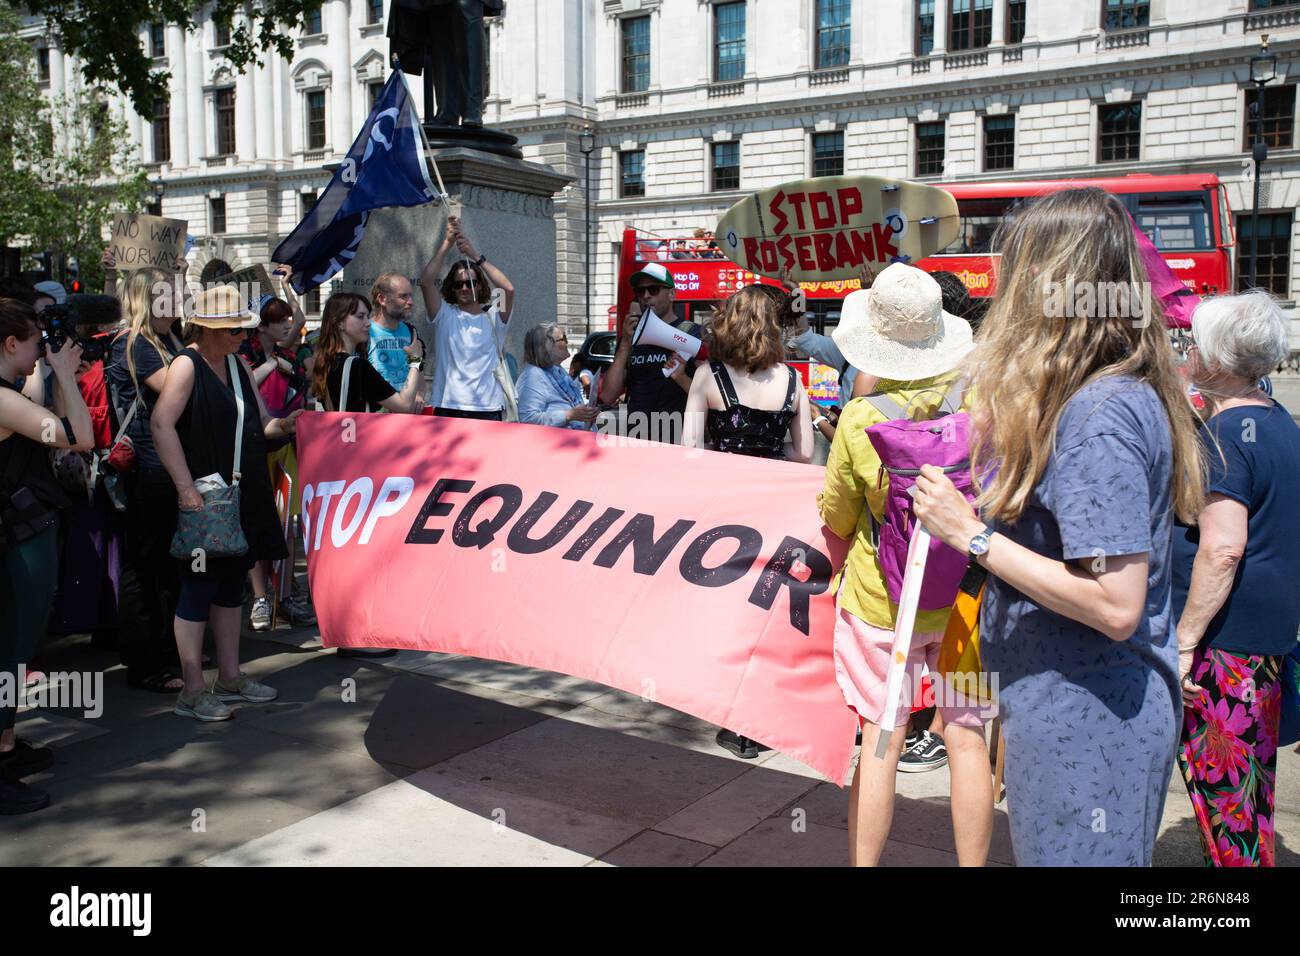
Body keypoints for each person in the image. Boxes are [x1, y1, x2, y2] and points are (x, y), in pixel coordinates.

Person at [911, 187, 1207, 867]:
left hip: (1090, 723)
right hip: (1072, 712)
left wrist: (973, 535)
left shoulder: (1098, 414)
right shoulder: (1102, 396)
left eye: (1014, 270)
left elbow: (1115, 603)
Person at [816, 264, 988, 866]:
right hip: (968, 599)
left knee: (883, 740)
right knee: (968, 738)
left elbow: (837, 517)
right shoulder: (982, 403)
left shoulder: (862, 418)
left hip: (882, 601)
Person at [1172, 291, 1300, 867]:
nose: (1188, 351)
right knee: (1250, 791)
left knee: (1227, 804)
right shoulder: (1279, 422)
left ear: (1219, 359)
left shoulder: (1224, 437)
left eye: (1195, 342)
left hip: (1225, 647)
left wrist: (1184, 640)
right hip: (1266, 636)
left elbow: (1223, 548)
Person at [150, 286, 301, 721]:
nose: (241, 336)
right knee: (197, 588)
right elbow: (162, 425)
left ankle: (231, 676)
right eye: (234, 329)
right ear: (209, 329)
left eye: (242, 328)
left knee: (231, 586)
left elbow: (265, 424)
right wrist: (185, 489)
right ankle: (193, 689)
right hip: (204, 497)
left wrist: (290, 423)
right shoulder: (186, 364)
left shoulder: (236, 365)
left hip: (239, 495)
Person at [680, 285, 814, 760]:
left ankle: (733, 716)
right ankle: (762, 715)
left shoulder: (706, 376)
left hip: (728, 507)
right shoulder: (793, 382)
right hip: (775, 509)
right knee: (766, 608)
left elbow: (691, 453)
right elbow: (802, 453)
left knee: (729, 608)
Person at [0, 298, 93, 813]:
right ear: (10, 344)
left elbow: (35, 402)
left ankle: (6, 748)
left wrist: (48, 370)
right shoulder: (3, 400)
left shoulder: (11, 392)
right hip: (17, 537)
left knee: (13, 650)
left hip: (18, 534)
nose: (44, 347)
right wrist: (68, 376)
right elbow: (81, 437)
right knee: (9, 653)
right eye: (36, 340)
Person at [104, 265, 188, 693]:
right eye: (167, 294)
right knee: (149, 570)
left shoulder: (162, 340)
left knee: (164, 568)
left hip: (160, 468)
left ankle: (167, 653)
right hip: (148, 471)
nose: (175, 300)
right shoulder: (137, 345)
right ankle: (147, 663)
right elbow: (180, 388)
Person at [242, 296, 315, 632]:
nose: (288, 323)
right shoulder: (243, 355)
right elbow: (240, 390)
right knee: (256, 526)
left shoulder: (291, 357)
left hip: (284, 447)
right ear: (262, 324)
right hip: (253, 450)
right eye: (279, 319)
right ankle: (260, 598)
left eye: (289, 318)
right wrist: (269, 367)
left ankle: (284, 596)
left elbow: (303, 392)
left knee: (287, 526)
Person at [417, 216, 516, 419]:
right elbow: (426, 282)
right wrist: (446, 243)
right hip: (448, 405)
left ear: (480, 284)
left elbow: (508, 288)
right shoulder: (444, 314)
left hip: (488, 408)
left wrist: (473, 254)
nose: (464, 287)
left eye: (470, 282)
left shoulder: (493, 317)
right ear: (452, 288)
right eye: (458, 283)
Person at [599, 262, 702, 444]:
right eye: (640, 291)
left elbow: (707, 394)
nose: (645, 296)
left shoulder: (693, 333)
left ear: (672, 294)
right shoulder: (630, 338)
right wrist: (624, 344)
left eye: (653, 289)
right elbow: (608, 396)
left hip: (678, 438)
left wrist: (681, 376)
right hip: (637, 438)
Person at [311, 292, 423, 414]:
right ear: (339, 323)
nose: (368, 323)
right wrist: (415, 360)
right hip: (358, 432)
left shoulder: (325, 361)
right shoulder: (358, 366)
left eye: (367, 316)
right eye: (360, 316)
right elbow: (404, 405)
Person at [517, 323, 597, 430]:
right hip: (555, 443)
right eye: (563, 338)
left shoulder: (557, 370)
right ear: (546, 347)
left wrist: (587, 413)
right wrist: (569, 415)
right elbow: (528, 418)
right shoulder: (533, 375)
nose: (567, 343)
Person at [368, 272, 425, 393]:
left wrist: (419, 394)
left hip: (406, 408)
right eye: (403, 296)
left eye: (411, 296)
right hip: (376, 410)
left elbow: (418, 369)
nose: (411, 302)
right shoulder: (366, 331)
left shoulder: (411, 331)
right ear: (382, 299)